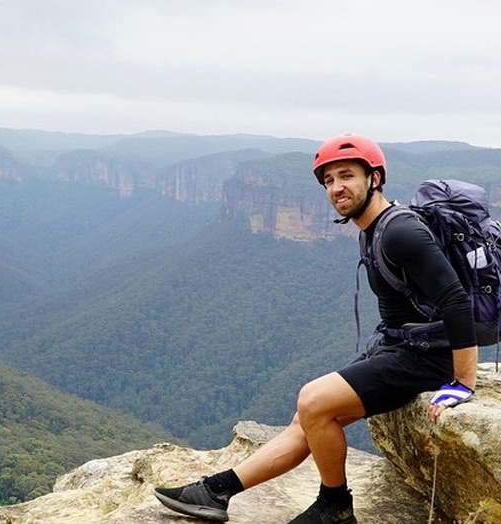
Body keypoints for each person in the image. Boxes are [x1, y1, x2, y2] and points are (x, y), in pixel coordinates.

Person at [154, 134, 478, 524]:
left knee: (313, 400)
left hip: (427, 358)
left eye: (346, 176)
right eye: (328, 181)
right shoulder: (373, 227)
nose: (336, 187)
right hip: (400, 347)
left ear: (374, 178)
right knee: (308, 418)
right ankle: (216, 491)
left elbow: (457, 301)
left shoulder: (400, 231)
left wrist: (462, 382)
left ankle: (335, 506)